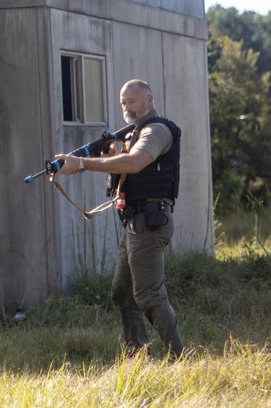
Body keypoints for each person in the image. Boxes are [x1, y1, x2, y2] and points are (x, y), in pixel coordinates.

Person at [55, 79, 184, 358]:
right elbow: (127, 167)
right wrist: (112, 156)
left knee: (149, 295)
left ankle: (179, 356)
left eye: (132, 101)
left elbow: (135, 163)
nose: (127, 107)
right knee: (123, 293)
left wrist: (81, 164)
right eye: (123, 102)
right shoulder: (133, 134)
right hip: (134, 223)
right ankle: (137, 356)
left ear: (149, 100)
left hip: (150, 222)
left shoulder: (156, 130)